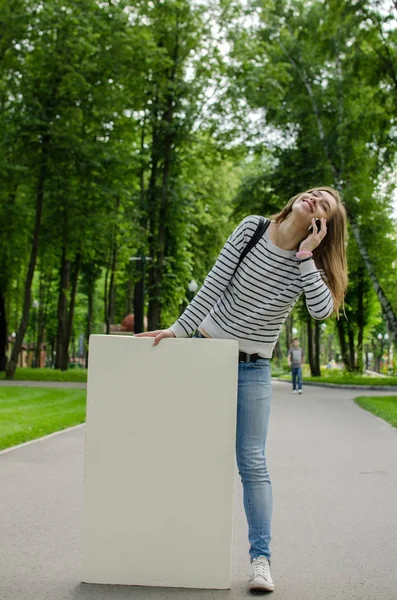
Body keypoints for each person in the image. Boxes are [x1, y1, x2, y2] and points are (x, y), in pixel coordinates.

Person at [134, 187, 348, 593]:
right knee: (190, 451)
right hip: (204, 353)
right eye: (314, 193)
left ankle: (260, 561)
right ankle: (178, 549)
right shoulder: (252, 229)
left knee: (252, 462)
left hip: (253, 368)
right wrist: (178, 330)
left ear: (324, 225)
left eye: (324, 205)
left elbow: (321, 312)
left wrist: (305, 256)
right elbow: (213, 285)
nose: (314, 199)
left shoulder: (309, 263)